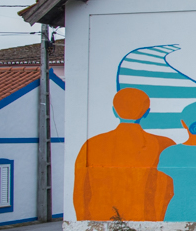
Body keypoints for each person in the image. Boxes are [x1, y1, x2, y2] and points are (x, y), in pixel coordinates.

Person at [73, 88, 174, 221]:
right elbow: (167, 192)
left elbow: (80, 192)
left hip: (100, 221)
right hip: (148, 221)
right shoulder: (164, 145)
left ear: (114, 111)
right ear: (147, 112)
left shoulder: (92, 144)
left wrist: (83, 223)